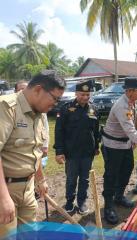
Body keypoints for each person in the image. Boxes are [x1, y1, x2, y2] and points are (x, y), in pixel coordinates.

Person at [0, 70, 65, 237]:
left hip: (27, 189)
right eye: (55, 98)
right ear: (38, 89)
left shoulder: (38, 113)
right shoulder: (7, 107)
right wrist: (3, 198)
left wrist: (40, 179)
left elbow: (33, 151)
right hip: (6, 189)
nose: (55, 104)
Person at [101, 77, 137, 224]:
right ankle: (108, 206)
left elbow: (132, 126)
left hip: (125, 144)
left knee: (127, 169)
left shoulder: (132, 102)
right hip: (113, 146)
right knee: (111, 175)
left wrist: (133, 142)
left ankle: (119, 197)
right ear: (130, 91)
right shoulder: (122, 105)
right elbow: (130, 130)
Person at [54, 80, 100, 215]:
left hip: (87, 152)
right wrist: (59, 151)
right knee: (71, 178)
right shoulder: (66, 108)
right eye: (82, 94)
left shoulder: (93, 108)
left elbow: (96, 131)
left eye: (87, 94)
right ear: (76, 93)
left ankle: (82, 202)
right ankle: (69, 201)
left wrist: (96, 147)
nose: (85, 97)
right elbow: (59, 131)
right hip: (71, 152)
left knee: (85, 179)